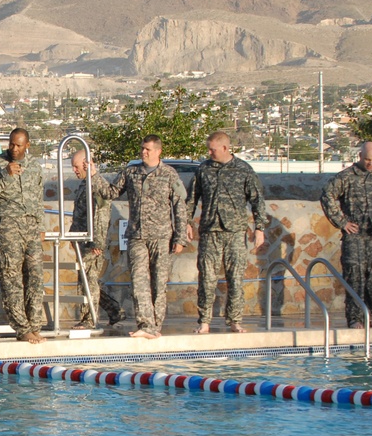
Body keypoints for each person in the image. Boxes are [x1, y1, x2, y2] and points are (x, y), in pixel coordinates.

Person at [92, 135, 188, 339]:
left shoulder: (169, 174)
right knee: (138, 280)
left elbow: (180, 206)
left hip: (161, 236)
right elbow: (111, 192)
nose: (143, 152)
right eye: (142, 149)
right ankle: (145, 324)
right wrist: (94, 175)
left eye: (148, 149)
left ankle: (155, 325)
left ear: (158, 151)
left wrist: (180, 238)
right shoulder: (131, 172)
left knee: (159, 284)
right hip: (137, 236)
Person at [187, 131, 267, 334]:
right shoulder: (203, 170)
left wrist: (259, 228)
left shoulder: (243, 170)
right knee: (206, 277)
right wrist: (187, 222)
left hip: (235, 231)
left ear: (224, 148)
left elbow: (257, 200)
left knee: (236, 278)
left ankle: (235, 320)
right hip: (210, 231)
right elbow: (192, 199)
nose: (209, 152)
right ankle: (204, 321)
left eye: (212, 149)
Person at [0, 128, 46, 344]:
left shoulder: (34, 166)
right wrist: (4, 176)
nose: (14, 149)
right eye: (11, 144)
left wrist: (41, 225)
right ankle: (22, 328)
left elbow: (38, 195)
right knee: (11, 278)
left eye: (18, 145)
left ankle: (35, 325)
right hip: (7, 228)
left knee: (35, 277)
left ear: (27, 145)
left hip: (31, 227)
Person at [320, 141, 372, 328]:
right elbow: (326, 196)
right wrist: (342, 222)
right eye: (367, 159)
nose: (370, 164)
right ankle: (355, 318)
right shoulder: (346, 177)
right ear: (360, 156)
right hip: (354, 236)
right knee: (354, 276)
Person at [69, 149, 125, 329]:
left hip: (93, 240)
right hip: (82, 240)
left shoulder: (97, 185)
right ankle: (115, 310)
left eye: (76, 166)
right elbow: (80, 213)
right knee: (89, 280)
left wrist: (98, 242)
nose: (74, 170)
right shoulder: (84, 184)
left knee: (88, 279)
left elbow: (101, 214)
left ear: (86, 164)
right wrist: (72, 234)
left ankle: (88, 319)